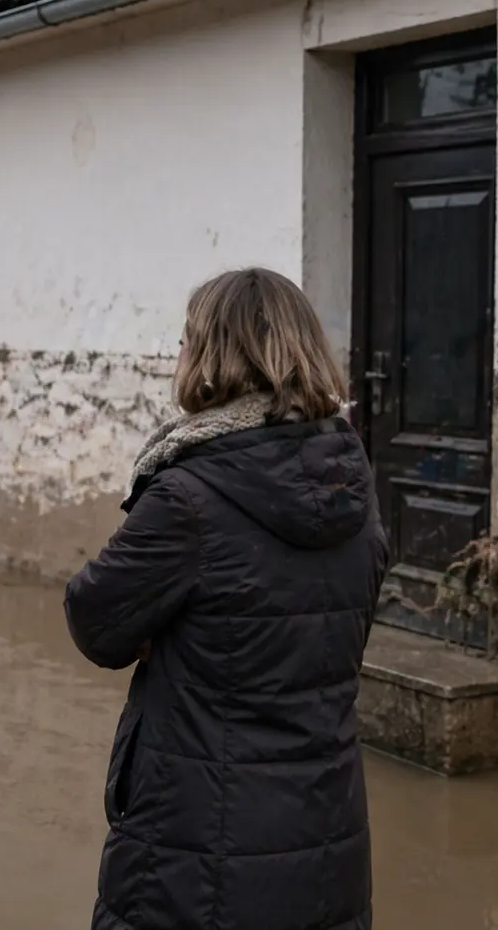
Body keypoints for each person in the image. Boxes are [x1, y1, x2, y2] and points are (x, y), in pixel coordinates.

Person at [64, 267, 390, 930]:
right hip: (326, 837)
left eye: (186, 340)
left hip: (197, 850)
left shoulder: (188, 497)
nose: (179, 355)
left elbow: (94, 619)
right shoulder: (351, 478)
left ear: (212, 356)